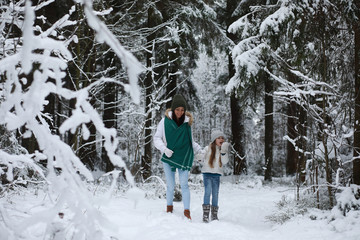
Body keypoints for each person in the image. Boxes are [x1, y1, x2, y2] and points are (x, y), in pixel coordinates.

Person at [153, 94, 202, 220]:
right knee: (170, 185)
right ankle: (169, 208)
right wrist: (164, 149)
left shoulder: (187, 123)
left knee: (184, 185)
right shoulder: (164, 122)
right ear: (173, 109)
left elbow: (190, 141)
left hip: (183, 156)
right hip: (169, 156)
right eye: (177, 109)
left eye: (182, 110)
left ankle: (187, 211)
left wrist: (199, 150)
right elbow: (156, 138)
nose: (180, 112)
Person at [197, 129, 230, 222]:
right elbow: (201, 158)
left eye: (222, 138)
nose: (221, 139)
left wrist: (224, 151)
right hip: (207, 174)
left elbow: (224, 161)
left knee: (215, 194)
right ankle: (206, 214)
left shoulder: (222, 150)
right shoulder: (208, 148)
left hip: (217, 175)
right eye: (219, 138)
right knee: (207, 192)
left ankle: (214, 215)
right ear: (214, 139)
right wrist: (200, 157)